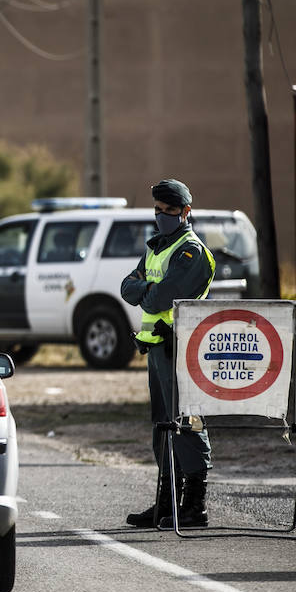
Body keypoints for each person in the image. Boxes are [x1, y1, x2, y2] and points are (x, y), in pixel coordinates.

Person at [120, 179, 216, 529]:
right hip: (157, 349)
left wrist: (145, 289)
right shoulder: (156, 248)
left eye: (169, 211)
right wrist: (147, 288)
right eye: (157, 210)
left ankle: (194, 504)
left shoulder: (191, 252)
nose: (161, 216)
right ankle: (166, 503)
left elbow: (161, 298)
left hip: (180, 348)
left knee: (187, 420)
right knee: (162, 425)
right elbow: (126, 286)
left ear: (186, 212)